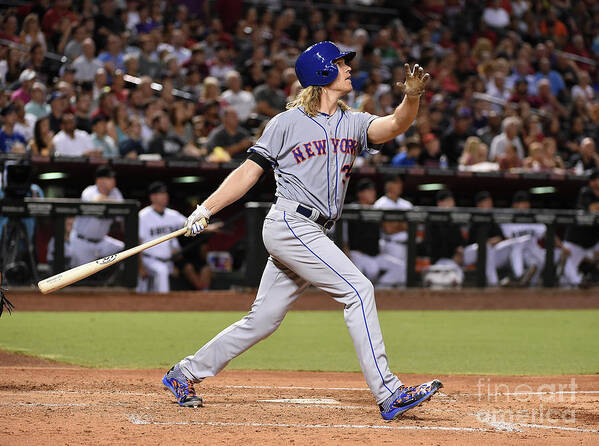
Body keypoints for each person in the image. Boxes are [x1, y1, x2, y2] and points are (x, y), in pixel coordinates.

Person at [162, 41, 442, 419]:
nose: (348, 68)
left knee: (262, 320)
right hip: (290, 222)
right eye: (341, 63)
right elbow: (248, 172)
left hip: (313, 231)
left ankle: (184, 373)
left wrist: (412, 98)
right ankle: (389, 392)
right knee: (358, 290)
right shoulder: (285, 123)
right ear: (322, 71)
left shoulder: (353, 121)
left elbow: (395, 124)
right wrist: (205, 209)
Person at [344, 178, 405, 288]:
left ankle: (380, 290)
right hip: (357, 255)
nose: (373, 193)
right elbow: (342, 237)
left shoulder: (376, 210)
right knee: (366, 272)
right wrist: (347, 254)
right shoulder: (351, 210)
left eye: (373, 190)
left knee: (400, 267)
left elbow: (387, 229)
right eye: (369, 191)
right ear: (360, 194)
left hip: (375, 256)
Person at [69, 166, 124, 267]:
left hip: (101, 242)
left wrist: (110, 201)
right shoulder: (89, 191)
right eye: (109, 178)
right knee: (81, 276)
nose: (113, 181)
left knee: (125, 249)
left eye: (113, 178)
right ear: (99, 181)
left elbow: (122, 210)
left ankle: (110, 281)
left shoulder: (115, 192)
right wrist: (114, 202)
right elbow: (97, 200)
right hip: (82, 242)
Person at [137, 182, 186, 293]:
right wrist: (140, 267)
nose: (165, 196)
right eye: (161, 193)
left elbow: (190, 225)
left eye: (165, 193)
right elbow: (137, 242)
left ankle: (161, 307)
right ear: (153, 197)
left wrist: (211, 227)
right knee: (142, 291)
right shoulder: (143, 215)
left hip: (167, 261)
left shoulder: (172, 215)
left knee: (162, 274)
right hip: (148, 259)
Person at [561, 169, 599, 287]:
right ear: (592, 182)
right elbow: (593, 208)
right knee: (567, 275)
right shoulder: (586, 192)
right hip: (575, 241)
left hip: (592, 241)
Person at [424, 189, 466, 284]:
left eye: (451, 201)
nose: (451, 204)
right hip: (438, 261)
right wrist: (453, 253)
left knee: (456, 277)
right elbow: (431, 245)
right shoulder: (432, 221)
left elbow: (461, 241)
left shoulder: (454, 221)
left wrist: (460, 251)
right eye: (448, 201)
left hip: (452, 261)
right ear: (440, 203)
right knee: (449, 278)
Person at [373, 175, 413, 267]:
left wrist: (396, 224)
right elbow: (389, 229)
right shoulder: (380, 204)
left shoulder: (406, 204)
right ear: (389, 185)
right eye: (397, 183)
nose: (400, 185)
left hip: (407, 246)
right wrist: (403, 225)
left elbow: (412, 227)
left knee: (405, 277)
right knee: (396, 275)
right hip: (390, 245)